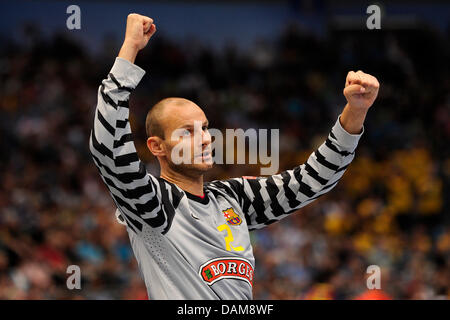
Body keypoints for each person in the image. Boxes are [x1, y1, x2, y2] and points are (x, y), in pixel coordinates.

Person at [89, 13, 380, 299]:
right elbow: (109, 150)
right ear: (157, 146)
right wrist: (129, 50)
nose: (204, 138)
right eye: (187, 132)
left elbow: (312, 181)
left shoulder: (233, 197)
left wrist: (356, 111)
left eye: (204, 128)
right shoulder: (151, 204)